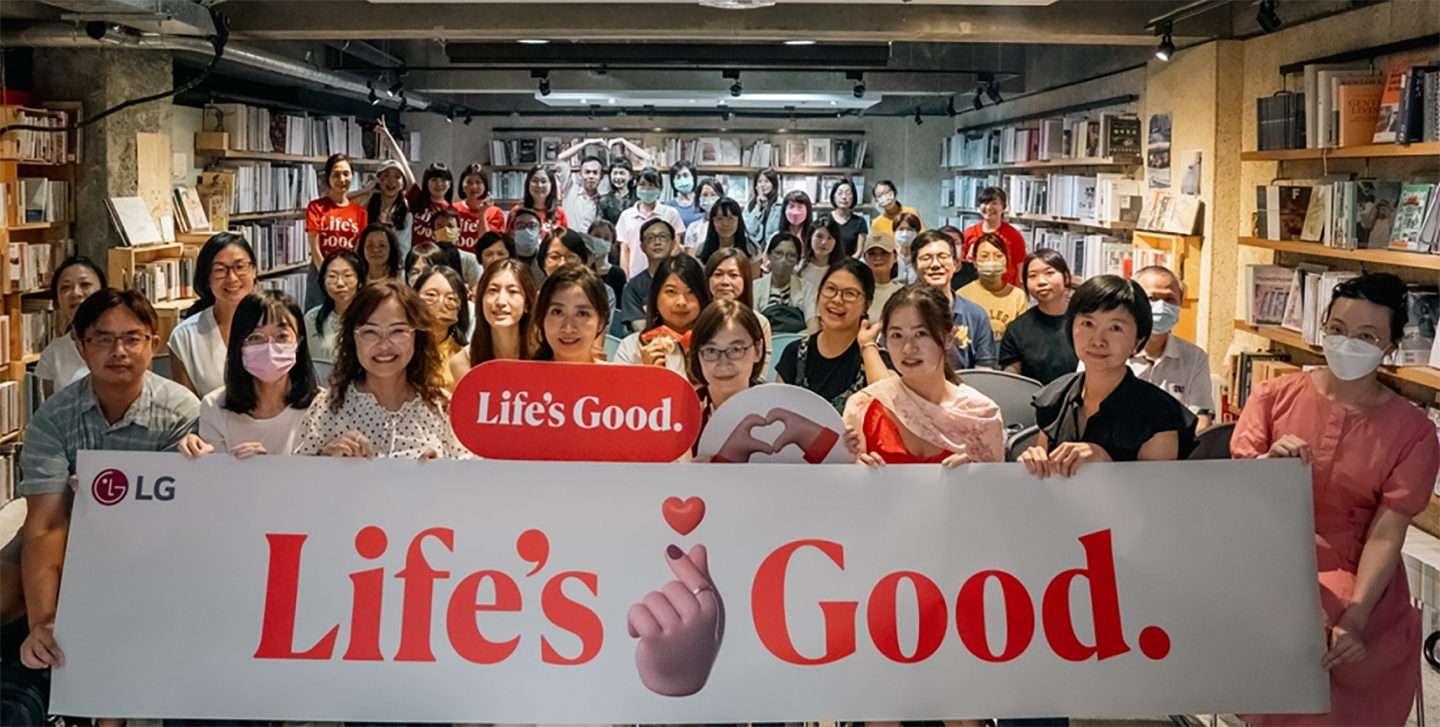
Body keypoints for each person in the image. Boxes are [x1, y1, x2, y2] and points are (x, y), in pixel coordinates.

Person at [1231, 273, 1440, 727]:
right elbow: (1237, 498)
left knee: (1338, 667)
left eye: (1367, 336)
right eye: (1338, 329)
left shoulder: (1415, 431)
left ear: (1390, 346)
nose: (1348, 344)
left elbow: (1388, 532)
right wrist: (1269, 466)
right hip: (1273, 567)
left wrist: (1358, 616)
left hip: (1363, 582)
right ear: (1322, 326)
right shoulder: (1271, 397)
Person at [18, 290, 199, 702]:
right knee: (8, 583)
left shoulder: (182, 411)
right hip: (72, 528)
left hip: (154, 544)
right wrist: (44, 621)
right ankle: (31, 671)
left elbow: (180, 519)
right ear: (80, 346)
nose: (119, 351)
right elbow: (45, 524)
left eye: (132, 338)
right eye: (103, 339)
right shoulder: (53, 417)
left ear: (153, 345)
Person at [1018, 275, 1196, 480]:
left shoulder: (1159, 415)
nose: (1097, 340)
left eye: (1115, 328)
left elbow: (1156, 498)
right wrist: (1033, 465)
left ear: (1138, 340)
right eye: (1087, 323)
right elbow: (1046, 483)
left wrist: (1107, 464)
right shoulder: (1054, 397)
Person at [295, 279, 469, 459]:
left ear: (417, 336)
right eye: (370, 332)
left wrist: (443, 472)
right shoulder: (327, 407)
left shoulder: (443, 407)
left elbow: (469, 478)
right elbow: (299, 479)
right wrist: (326, 459)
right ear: (353, 339)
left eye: (397, 331)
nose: (384, 345)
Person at [843, 283, 1004, 467]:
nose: (908, 348)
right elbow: (841, 489)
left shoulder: (981, 415)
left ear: (949, 338)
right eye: (897, 335)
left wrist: (977, 476)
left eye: (921, 334)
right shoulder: (863, 407)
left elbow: (994, 493)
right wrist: (853, 474)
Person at [180, 290, 320, 459]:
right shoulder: (214, 406)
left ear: (298, 342)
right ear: (239, 345)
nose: (269, 346)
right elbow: (214, 478)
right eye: (255, 338)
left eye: (282, 336)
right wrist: (240, 469)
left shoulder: (322, 405)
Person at [776, 259, 894, 413]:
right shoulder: (795, 353)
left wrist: (867, 346)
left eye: (850, 294)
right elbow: (777, 412)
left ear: (867, 304)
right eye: (830, 289)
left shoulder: (875, 358)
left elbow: (891, 407)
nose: (837, 300)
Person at [171, 232, 258, 397]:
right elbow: (186, 410)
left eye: (240, 267)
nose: (232, 278)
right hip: (208, 422)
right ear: (207, 277)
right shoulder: (185, 336)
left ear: (254, 270)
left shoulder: (275, 324)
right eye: (220, 270)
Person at [1129, 265, 1214, 429]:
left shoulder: (1195, 358)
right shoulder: (1108, 350)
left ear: (1180, 303)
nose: (1161, 306)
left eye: (1169, 299)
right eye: (1152, 298)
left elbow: (1201, 417)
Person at [910, 231, 996, 371]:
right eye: (926, 258)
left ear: (956, 264)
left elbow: (984, 372)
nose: (935, 264)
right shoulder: (900, 311)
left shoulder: (976, 316)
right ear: (914, 265)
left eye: (942, 257)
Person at [614, 255, 710, 375]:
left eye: (690, 292)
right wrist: (646, 374)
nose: (681, 302)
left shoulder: (718, 345)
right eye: (671, 292)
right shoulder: (631, 347)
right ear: (655, 296)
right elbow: (620, 392)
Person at [688, 299, 766, 438]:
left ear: (758, 350)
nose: (723, 364)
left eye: (736, 350)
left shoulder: (777, 409)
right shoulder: (681, 414)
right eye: (711, 351)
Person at [451, 259, 538, 383]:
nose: (501, 301)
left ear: (527, 304)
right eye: (493, 290)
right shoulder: (463, 362)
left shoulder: (546, 354)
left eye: (512, 291)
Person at [1000, 249, 1078, 385]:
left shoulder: (1085, 323)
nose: (1041, 281)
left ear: (1066, 277)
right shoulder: (1017, 330)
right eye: (1032, 276)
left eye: (1049, 273)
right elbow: (1010, 383)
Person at [35, 257, 106, 398]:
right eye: (66, 287)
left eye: (85, 284)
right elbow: (46, 412)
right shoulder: (53, 354)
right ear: (57, 301)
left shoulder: (121, 343)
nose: (76, 293)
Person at [306, 153, 368, 309]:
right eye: (336, 174)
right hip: (320, 270)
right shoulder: (316, 207)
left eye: (346, 174)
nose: (342, 179)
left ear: (352, 176)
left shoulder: (360, 212)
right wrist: (327, 275)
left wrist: (348, 275)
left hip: (348, 273)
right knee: (317, 317)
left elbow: (357, 249)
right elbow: (314, 248)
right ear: (328, 178)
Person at [705, 248, 773, 374]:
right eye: (718, 274)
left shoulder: (760, 323)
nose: (725, 282)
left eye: (733, 275)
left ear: (745, 280)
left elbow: (760, 374)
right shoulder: (698, 319)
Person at [534, 264, 611, 364]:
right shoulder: (522, 378)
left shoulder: (619, 379)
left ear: (600, 322)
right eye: (557, 312)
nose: (568, 328)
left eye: (582, 314)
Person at [618, 166, 685, 279]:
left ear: (660, 188)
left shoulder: (671, 214)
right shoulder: (626, 216)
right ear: (636, 186)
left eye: (652, 185)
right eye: (642, 184)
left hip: (664, 276)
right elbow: (625, 251)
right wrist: (626, 278)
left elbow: (675, 247)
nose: (647, 189)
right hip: (635, 275)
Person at [959, 232, 1029, 340]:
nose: (991, 261)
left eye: (998, 256)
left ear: (1006, 260)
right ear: (974, 261)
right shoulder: (962, 296)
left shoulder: (1018, 297)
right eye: (984, 256)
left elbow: (1024, 337)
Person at [413, 265, 471, 392]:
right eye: (431, 295)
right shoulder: (402, 348)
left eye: (451, 298)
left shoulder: (465, 357)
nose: (440, 303)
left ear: (460, 309)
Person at [304, 250, 366, 365]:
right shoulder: (311, 318)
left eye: (347, 276)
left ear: (360, 281)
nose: (340, 283)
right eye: (332, 276)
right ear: (323, 283)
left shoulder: (372, 317)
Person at [961, 186, 1028, 287]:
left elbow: (1020, 267)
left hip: (1006, 291)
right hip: (976, 289)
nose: (989, 207)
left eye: (994, 203)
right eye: (985, 203)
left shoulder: (1013, 235)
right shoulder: (969, 233)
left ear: (1003, 207)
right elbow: (963, 264)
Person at [753, 232, 817, 334]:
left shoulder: (807, 289)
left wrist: (791, 341)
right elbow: (752, 327)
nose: (783, 260)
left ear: (797, 260)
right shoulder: (755, 287)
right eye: (778, 253)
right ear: (769, 255)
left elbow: (814, 328)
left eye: (791, 255)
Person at [620, 219, 677, 333]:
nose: (657, 242)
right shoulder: (633, 287)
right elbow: (639, 326)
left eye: (663, 237)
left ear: (673, 244)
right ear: (642, 247)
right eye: (650, 238)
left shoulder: (686, 279)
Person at [351, 158, 413, 258]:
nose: (391, 181)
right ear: (378, 180)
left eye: (397, 177)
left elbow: (403, 251)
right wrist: (365, 191)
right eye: (386, 175)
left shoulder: (406, 214)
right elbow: (337, 200)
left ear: (403, 184)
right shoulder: (365, 207)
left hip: (394, 269)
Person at [543, 228, 616, 311]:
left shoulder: (602, 293)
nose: (562, 263)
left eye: (570, 257)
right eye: (554, 257)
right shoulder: (538, 295)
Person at [455, 163, 507, 261]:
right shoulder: (453, 210)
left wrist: (482, 213)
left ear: (485, 186)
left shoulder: (495, 212)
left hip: (484, 263)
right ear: (462, 186)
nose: (474, 186)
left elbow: (487, 242)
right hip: (458, 261)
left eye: (478, 182)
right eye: (469, 182)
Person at [697, 197, 757, 267]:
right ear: (712, 221)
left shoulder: (751, 249)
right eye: (719, 219)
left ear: (739, 220)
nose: (725, 224)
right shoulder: (702, 250)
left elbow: (754, 277)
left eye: (730, 218)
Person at [511, 164, 569, 236]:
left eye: (543, 181)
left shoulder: (560, 212)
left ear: (551, 185)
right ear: (528, 184)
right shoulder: (516, 211)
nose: (539, 185)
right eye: (534, 181)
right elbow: (509, 241)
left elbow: (565, 242)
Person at [430, 207, 483, 286]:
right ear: (433, 233)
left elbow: (477, 289)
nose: (446, 230)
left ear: (459, 231)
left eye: (450, 226)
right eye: (440, 227)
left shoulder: (470, 260)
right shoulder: (427, 260)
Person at [407, 162, 455, 247]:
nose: (439, 184)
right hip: (413, 255)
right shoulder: (417, 199)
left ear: (450, 184)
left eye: (443, 180)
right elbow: (405, 169)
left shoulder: (452, 211)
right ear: (426, 182)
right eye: (434, 180)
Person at [559, 154, 605, 233]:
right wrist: (587, 142)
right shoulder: (570, 190)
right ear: (580, 174)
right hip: (566, 242)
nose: (591, 176)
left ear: (601, 176)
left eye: (595, 173)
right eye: (587, 172)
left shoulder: (603, 203)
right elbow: (560, 159)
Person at [863, 232, 902, 322]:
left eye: (884, 253)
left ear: (895, 257)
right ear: (865, 258)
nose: (878, 258)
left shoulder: (903, 292)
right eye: (872, 253)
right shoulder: (858, 291)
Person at [797, 216, 842, 290]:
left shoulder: (842, 270)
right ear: (810, 238)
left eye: (829, 238)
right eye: (819, 236)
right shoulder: (799, 267)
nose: (824, 242)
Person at [827, 178, 868, 257]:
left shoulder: (860, 222)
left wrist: (847, 265)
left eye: (848, 193)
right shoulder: (825, 220)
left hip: (850, 265)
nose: (844, 197)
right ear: (833, 196)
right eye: (840, 193)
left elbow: (859, 252)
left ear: (854, 197)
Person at [588, 218, 625, 305]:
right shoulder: (579, 268)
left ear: (612, 244)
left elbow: (619, 306)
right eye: (597, 236)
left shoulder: (618, 274)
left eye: (606, 238)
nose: (601, 240)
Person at [683, 178, 725, 253]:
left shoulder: (727, 225)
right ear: (699, 198)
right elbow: (690, 256)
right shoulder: (693, 227)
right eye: (705, 195)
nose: (709, 198)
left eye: (713, 195)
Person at [509, 207, 547, 287]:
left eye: (532, 226)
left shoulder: (546, 259)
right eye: (520, 226)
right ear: (512, 232)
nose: (526, 230)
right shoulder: (506, 257)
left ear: (540, 231)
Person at [743, 168, 782, 244]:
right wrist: (758, 206)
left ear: (774, 184)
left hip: (774, 247)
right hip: (754, 249)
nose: (763, 185)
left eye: (766, 181)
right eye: (759, 182)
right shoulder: (750, 206)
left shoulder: (781, 205)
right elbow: (750, 229)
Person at [667, 161, 705, 231]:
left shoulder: (703, 202)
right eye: (678, 177)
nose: (682, 180)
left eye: (685, 175)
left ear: (693, 177)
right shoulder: (669, 206)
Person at [597, 157, 636, 225]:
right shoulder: (604, 200)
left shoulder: (637, 197)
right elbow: (601, 225)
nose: (618, 177)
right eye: (615, 173)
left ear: (630, 176)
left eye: (622, 173)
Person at [892, 211, 924, 284]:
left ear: (917, 233)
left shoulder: (922, 256)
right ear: (894, 232)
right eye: (901, 229)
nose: (905, 233)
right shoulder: (891, 256)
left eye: (910, 230)